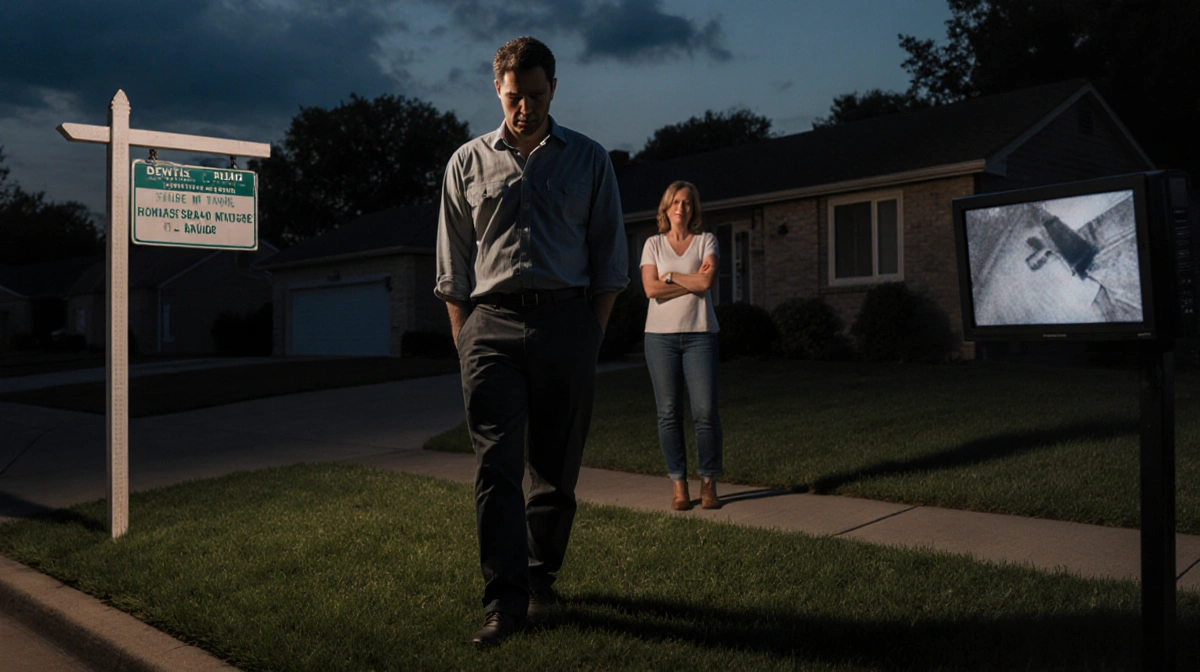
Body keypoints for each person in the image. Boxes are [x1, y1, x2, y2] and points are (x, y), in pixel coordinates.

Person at [434, 36, 628, 647]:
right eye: (515, 97)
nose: (526, 109)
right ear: (498, 90)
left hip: (566, 321)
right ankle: (503, 603)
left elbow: (609, 260)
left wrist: (590, 333)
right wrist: (466, 340)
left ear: (554, 89)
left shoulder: (589, 160)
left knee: (554, 466)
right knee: (496, 468)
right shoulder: (465, 164)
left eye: (537, 96)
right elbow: (453, 267)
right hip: (489, 326)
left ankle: (541, 576)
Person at [640, 181, 723, 511]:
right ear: (666, 207)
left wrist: (670, 278)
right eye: (675, 202)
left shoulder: (707, 241)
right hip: (659, 339)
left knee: (705, 412)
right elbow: (650, 290)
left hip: (700, 335)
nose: (681, 207)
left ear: (694, 209)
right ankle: (678, 485)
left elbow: (706, 282)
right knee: (668, 414)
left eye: (687, 203)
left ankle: (708, 483)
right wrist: (686, 282)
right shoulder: (652, 245)